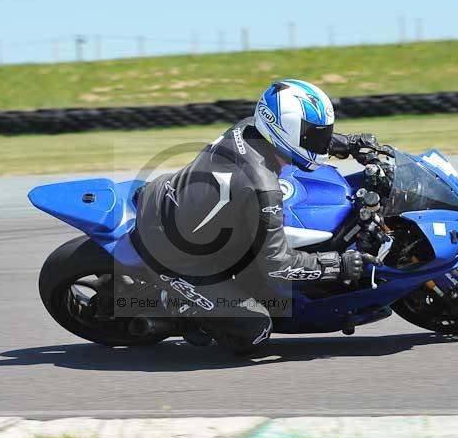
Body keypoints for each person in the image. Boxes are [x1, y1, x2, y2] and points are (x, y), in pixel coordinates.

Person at [132, 79, 381, 355]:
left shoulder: (249, 126)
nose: (321, 140)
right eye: (316, 134)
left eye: (323, 134)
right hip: (175, 254)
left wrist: (347, 143)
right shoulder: (261, 187)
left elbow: (298, 139)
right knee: (256, 330)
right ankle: (177, 302)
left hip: (171, 203)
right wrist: (337, 265)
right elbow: (278, 265)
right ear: (283, 128)